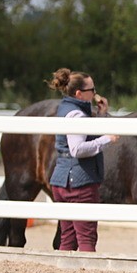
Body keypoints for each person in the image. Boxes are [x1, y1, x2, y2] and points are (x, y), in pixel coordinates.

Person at [47, 68, 118, 252]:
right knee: (87, 239)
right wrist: (107, 139)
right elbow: (77, 149)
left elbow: (85, 135)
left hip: (62, 180)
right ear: (79, 93)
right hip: (80, 182)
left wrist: (102, 114)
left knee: (68, 238)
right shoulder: (76, 114)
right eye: (91, 90)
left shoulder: (65, 108)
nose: (95, 93)